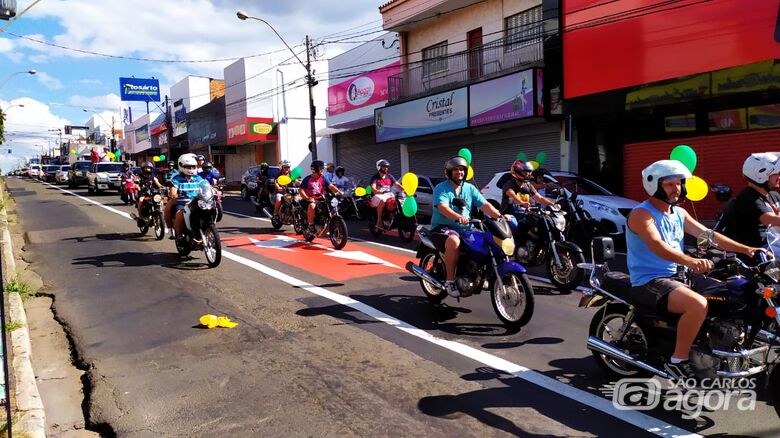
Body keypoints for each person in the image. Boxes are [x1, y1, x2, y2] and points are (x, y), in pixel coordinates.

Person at [626, 159, 759, 381]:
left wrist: (747, 250)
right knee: (697, 304)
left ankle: (717, 347)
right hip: (650, 280)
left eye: (679, 183)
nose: (676, 189)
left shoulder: (679, 213)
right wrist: (689, 261)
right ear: (654, 185)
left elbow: (710, 236)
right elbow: (658, 246)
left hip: (679, 275)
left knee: (734, 293)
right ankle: (677, 360)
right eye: (669, 184)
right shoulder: (642, 214)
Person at [430, 156, 508, 298]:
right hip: (443, 226)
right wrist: (458, 217)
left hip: (466, 228)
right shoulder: (441, 188)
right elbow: (443, 207)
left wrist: (499, 216)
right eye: (455, 170)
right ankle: (450, 281)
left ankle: (482, 274)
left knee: (488, 240)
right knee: (454, 241)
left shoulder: (469, 188)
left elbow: (485, 204)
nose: (459, 172)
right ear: (449, 172)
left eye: (461, 170)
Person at [721, 153, 780, 249]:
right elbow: (772, 220)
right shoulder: (748, 198)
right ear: (761, 175)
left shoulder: (774, 195)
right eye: (776, 173)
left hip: (774, 248)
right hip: (757, 256)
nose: (779, 176)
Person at [164, 153, 206, 240]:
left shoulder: (197, 177)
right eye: (188, 167)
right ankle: (178, 236)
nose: (191, 169)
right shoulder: (177, 178)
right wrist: (174, 193)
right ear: (181, 165)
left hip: (197, 202)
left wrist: (214, 190)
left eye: (193, 167)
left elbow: (205, 185)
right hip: (182, 202)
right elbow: (173, 189)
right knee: (179, 214)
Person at [299, 160, 342, 233]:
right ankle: (311, 225)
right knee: (312, 205)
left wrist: (339, 192)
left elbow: (331, 186)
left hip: (320, 198)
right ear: (315, 169)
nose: (323, 170)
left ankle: (326, 222)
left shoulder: (323, 177)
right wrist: (307, 198)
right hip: (310, 199)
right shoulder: (307, 179)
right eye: (321, 168)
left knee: (331, 204)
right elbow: (300, 190)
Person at [370, 159, 404, 230]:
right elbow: (373, 189)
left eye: (387, 167)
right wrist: (380, 192)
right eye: (384, 166)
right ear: (379, 167)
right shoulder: (375, 177)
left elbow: (397, 185)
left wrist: (406, 190)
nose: (386, 168)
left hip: (388, 195)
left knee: (399, 200)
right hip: (378, 196)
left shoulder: (389, 176)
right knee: (383, 200)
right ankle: (379, 221)